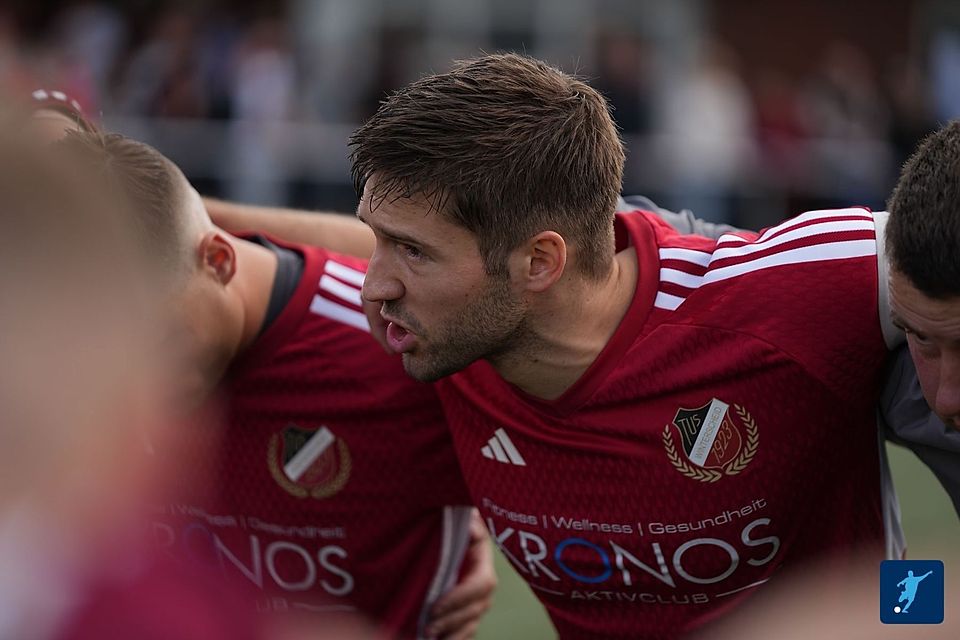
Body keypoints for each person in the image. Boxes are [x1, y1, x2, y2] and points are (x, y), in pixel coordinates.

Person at [211, 53, 905, 639]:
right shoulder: (442, 341)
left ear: (541, 263)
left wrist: (919, 613)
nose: (373, 287)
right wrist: (217, 221)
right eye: (379, 240)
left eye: (412, 252)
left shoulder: (791, 296)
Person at [59, 129, 495, 640]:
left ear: (219, 260)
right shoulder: (59, 377)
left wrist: (482, 515)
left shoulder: (392, 344)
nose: (139, 386)